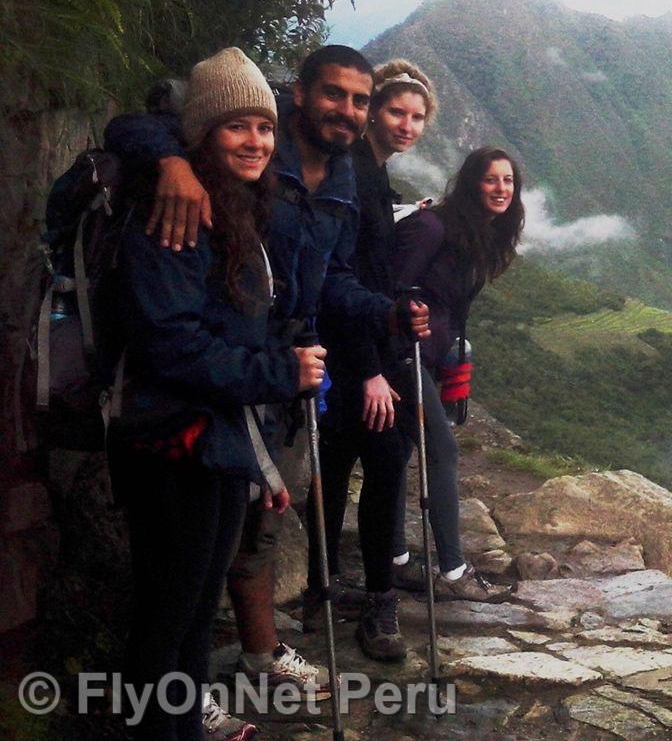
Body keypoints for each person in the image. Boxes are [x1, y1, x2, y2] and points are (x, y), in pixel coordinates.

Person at [104, 45, 429, 727]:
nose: (347, 110)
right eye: (334, 94)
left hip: (245, 407)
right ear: (300, 93)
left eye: (359, 100)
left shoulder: (319, 184)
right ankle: (174, 705)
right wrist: (170, 164)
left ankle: (197, 701)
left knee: (214, 579)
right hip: (192, 419)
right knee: (177, 598)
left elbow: (324, 281)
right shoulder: (188, 204)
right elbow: (175, 342)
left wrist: (385, 315)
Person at [107, 48, 326, 741]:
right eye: (236, 126)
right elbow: (172, 346)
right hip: (172, 443)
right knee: (168, 612)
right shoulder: (174, 213)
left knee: (198, 608)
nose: (255, 141)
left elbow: (228, 334)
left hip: (215, 440)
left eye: (264, 127)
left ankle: (184, 727)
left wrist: (259, 457)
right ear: (202, 134)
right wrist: (282, 374)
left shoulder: (235, 209)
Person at [307, 60, 436, 661]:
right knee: (384, 468)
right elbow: (341, 276)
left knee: (335, 470)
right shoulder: (354, 174)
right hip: (354, 353)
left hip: (356, 343)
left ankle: (322, 588)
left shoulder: (370, 173)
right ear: (373, 113)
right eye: (395, 111)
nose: (406, 125)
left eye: (417, 117)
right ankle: (377, 601)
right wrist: (369, 371)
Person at [389, 147, 525, 600]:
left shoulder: (476, 235)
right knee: (442, 449)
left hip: (430, 355)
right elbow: (391, 288)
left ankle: (394, 559)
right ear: (471, 183)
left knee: (400, 450)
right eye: (491, 179)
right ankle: (453, 570)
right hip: (399, 353)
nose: (501, 189)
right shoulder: (432, 227)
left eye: (508, 181)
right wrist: (407, 318)